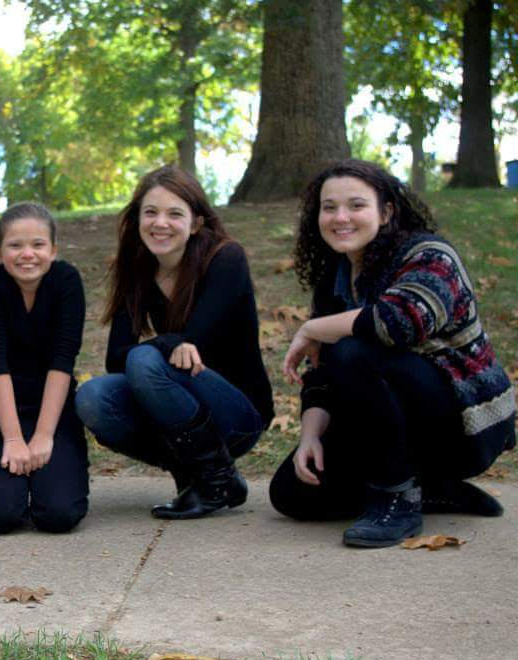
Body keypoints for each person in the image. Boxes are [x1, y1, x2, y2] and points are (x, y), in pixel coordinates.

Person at [271, 159, 515, 547]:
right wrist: (310, 435)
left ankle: (397, 497)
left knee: (353, 349)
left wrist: (311, 327)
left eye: (356, 205)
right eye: (328, 207)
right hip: (394, 422)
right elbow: (320, 373)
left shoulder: (429, 254)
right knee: (292, 494)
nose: (340, 217)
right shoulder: (335, 275)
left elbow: (398, 321)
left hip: (464, 424)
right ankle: (434, 489)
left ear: (385, 212)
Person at [75, 165, 274, 519]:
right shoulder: (136, 269)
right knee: (93, 397)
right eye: (150, 212)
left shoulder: (226, 258)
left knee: (144, 360)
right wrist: (169, 344)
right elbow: (114, 359)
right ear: (137, 218)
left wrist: (165, 345)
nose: (159, 223)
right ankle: (198, 475)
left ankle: (216, 477)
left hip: (237, 413)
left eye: (174, 214)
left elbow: (198, 339)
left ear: (196, 223)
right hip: (182, 411)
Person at [0, 203, 88, 533]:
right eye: (15, 245)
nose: (27, 254)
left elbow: (63, 361)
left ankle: (52, 471)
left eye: (38, 245)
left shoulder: (66, 281)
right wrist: (13, 439)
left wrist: (43, 436)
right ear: (0, 250)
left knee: (59, 515)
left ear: (53, 250)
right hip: (2, 412)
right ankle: (6, 472)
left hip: (54, 410)